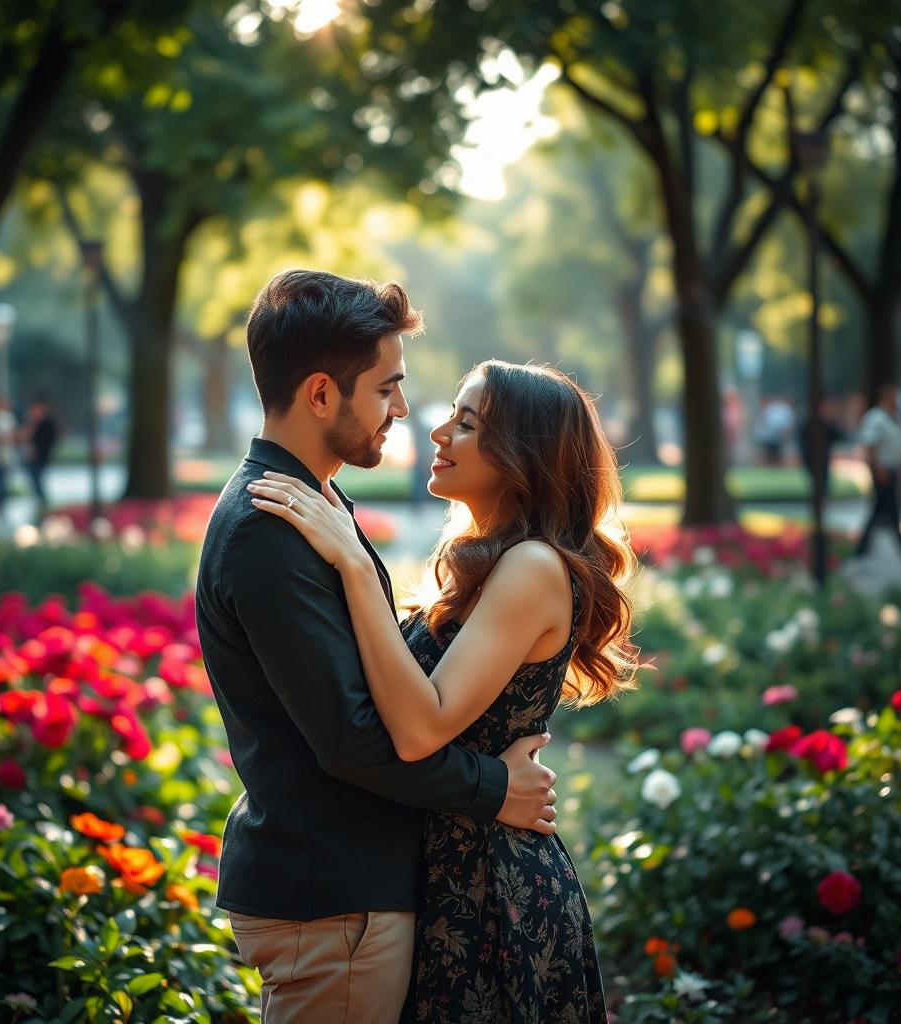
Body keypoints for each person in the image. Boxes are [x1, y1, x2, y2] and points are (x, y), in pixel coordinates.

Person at [195, 270, 558, 1024]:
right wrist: (497, 788)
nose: (403, 410)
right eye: (387, 387)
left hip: (348, 895)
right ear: (322, 394)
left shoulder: (313, 502)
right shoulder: (272, 526)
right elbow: (354, 740)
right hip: (333, 900)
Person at [251, 358, 637, 1023]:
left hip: (490, 886)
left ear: (525, 453)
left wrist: (352, 563)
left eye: (466, 422)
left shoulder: (533, 566)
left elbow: (421, 725)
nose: (436, 433)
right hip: (451, 866)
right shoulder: (500, 562)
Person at [854, 384, 901, 566]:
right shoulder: (876, 418)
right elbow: (869, 445)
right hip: (881, 471)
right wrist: (878, 470)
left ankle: (862, 550)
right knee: (889, 510)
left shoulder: (897, 420)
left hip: (892, 471)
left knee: (882, 511)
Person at [20, 396, 59, 510]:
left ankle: (42, 502)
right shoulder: (33, 423)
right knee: (34, 479)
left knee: (37, 479)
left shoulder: (47, 423)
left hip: (41, 457)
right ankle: (40, 501)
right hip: (31, 457)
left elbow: (47, 441)